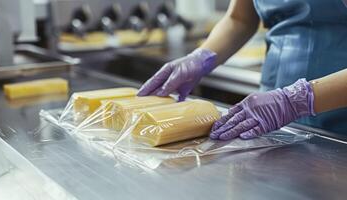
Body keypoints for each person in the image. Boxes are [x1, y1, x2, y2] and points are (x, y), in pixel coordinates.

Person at [137, 0, 347, 140]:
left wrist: (296, 100)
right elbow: (240, 19)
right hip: (270, 111)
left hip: (338, 119)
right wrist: (202, 56)